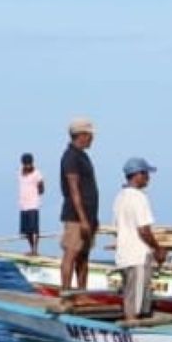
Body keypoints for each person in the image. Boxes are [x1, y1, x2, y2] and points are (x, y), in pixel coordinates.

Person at [112, 157, 166, 321]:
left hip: (123, 255)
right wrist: (158, 248)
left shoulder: (119, 197)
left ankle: (132, 325)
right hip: (137, 257)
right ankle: (133, 332)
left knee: (130, 296)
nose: (148, 178)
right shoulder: (139, 197)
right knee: (136, 303)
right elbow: (144, 230)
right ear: (137, 175)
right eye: (146, 174)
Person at [59, 117, 99, 291]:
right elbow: (73, 189)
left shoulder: (83, 156)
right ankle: (66, 293)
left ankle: (82, 293)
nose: (92, 138)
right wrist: (82, 218)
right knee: (71, 253)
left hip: (89, 216)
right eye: (90, 135)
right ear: (82, 135)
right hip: (76, 216)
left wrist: (91, 219)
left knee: (84, 256)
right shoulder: (70, 157)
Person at [18, 152, 45, 256]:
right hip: (23, 205)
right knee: (27, 231)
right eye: (25, 163)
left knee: (34, 229)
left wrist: (36, 192)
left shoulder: (37, 173)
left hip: (33, 204)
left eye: (29, 163)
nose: (27, 165)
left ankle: (35, 250)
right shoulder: (20, 172)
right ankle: (31, 248)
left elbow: (42, 188)